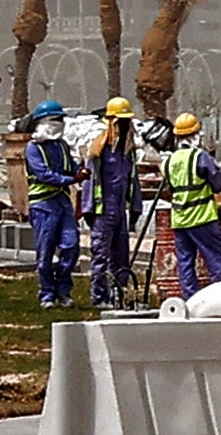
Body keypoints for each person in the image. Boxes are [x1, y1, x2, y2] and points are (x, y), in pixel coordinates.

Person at [164, 110, 221, 298]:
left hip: (179, 219)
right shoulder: (200, 158)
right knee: (216, 259)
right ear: (196, 134)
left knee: (185, 263)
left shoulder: (169, 161)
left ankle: (191, 301)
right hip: (202, 218)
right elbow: (217, 184)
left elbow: (170, 188)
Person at [23, 100, 81, 308]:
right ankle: (47, 293)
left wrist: (80, 173)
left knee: (71, 245)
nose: (59, 123)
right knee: (45, 251)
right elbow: (43, 174)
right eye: (55, 120)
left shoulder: (62, 146)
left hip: (63, 202)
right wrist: (70, 180)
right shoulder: (33, 148)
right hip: (43, 205)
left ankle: (63, 290)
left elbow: (72, 168)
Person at [84, 97, 142, 306]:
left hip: (120, 212)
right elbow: (90, 181)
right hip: (103, 211)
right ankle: (99, 296)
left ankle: (119, 294)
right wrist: (89, 210)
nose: (125, 127)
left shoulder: (128, 153)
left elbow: (133, 180)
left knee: (121, 257)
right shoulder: (99, 151)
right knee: (101, 255)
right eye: (121, 122)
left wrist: (135, 207)